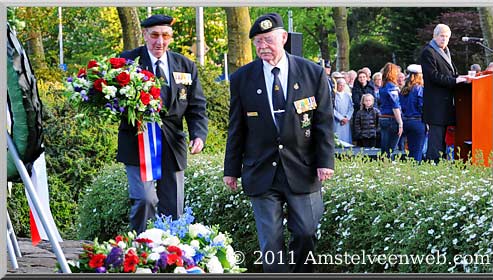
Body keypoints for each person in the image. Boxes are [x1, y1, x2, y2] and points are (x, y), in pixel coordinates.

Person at [223, 13, 335, 273]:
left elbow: (324, 123)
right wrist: (231, 169)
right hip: (262, 170)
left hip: (302, 168)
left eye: (268, 40)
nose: (262, 47)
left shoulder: (312, 73)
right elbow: (236, 128)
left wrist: (325, 162)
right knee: (271, 244)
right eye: (258, 42)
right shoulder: (242, 78)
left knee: (306, 233)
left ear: (283, 38)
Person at [117, 14, 209, 234]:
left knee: (173, 207)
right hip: (138, 141)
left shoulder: (185, 65)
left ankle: (171, 255)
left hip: (173, 142)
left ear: (171, 37)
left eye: (165, 36)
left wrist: (199, 135)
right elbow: (114, 101)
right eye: (155, 35)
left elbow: (197, 106)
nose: (160, 41)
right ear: (145, 35)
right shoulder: (128, 62)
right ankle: (140, 247)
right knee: (145, 199)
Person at [420, 23, 470, 163]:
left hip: (446, 106)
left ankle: (439, 167)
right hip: (436, 106)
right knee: (435, 143)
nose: (444, 39)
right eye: (441, 36)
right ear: (434, 36)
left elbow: (452, 74)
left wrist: (463, 79)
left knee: (442, 143)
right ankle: (431, 168)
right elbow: (433, 76)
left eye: (447, 37)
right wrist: (455, 81)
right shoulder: (428, 52)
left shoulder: (446, 52)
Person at [400, 64, 426, 162]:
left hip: (405, 121)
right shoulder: (419, 89)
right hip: (417, 122)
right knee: (417, 152)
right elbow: (422, 106)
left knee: (410, 150)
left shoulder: (404, 90)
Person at [378, 62, 403, 158]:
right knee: (390, 149)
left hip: (383, 117)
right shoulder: (392, 87)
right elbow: (395, 105)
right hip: (391, 119)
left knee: (384, 148)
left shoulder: (383, 86)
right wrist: (400, 123)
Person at [333, 78, 354, 143]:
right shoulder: (334, 96)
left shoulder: (347, 95)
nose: (342, 87)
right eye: (340, 85)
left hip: (346, 121)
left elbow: (351, 108)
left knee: (346, 139)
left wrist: (347, 117)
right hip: (337, 121)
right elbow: (332, 109)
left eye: (343, 85)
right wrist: (341, 118)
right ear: (337, 85)